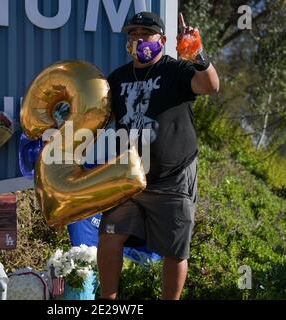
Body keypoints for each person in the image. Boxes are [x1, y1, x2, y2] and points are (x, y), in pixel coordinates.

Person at [97, 11, 219, 300]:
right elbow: (99, 117)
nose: (138, 38)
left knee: (174, 251)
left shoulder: (176, 70)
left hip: (172, 178)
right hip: (130, 178)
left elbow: (210, 86)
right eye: (133, 33)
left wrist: (198, 55)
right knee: (109, 236)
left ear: (162, 40)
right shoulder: (118, 77)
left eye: (145, 33)